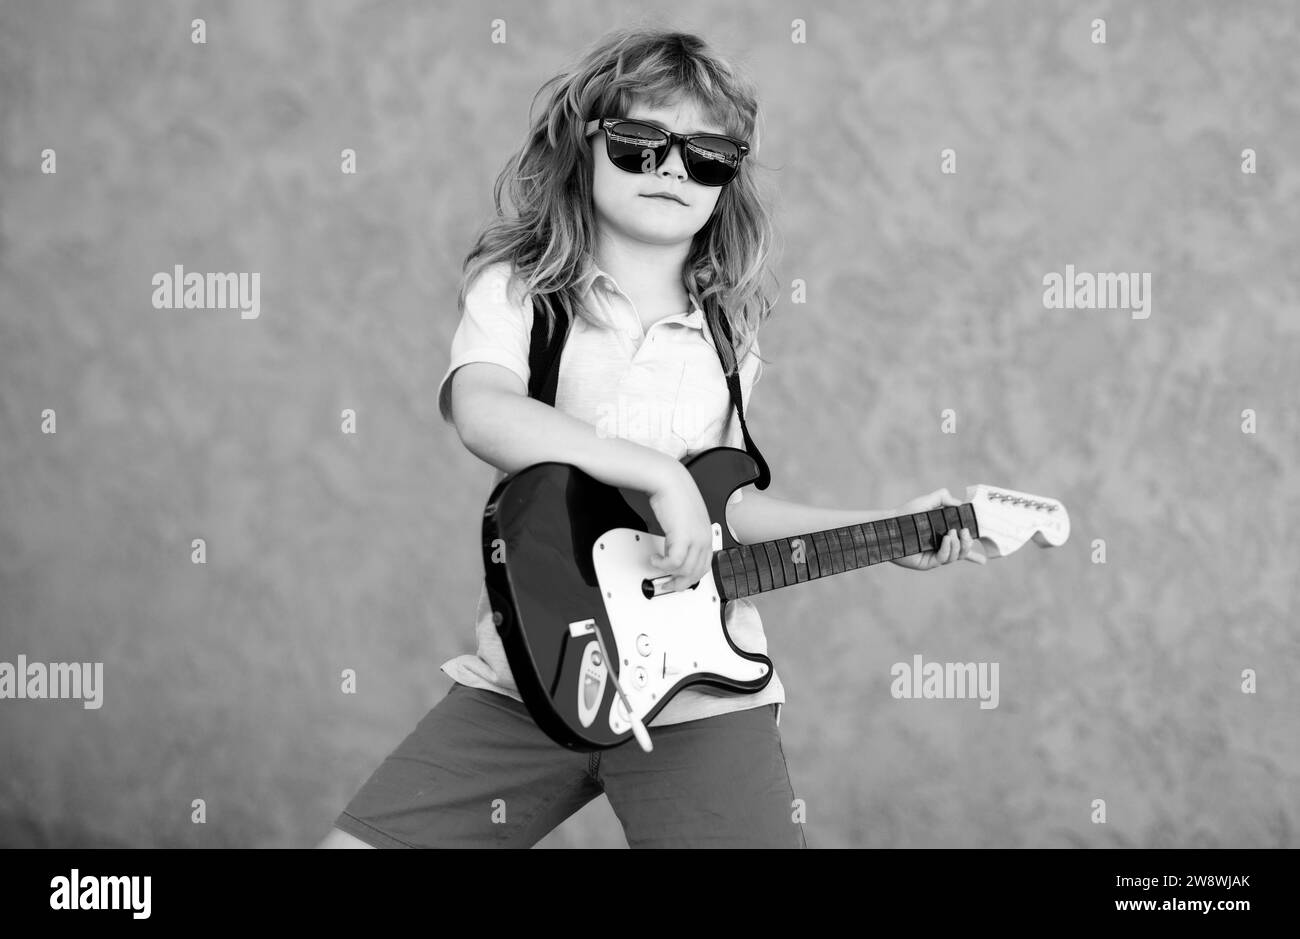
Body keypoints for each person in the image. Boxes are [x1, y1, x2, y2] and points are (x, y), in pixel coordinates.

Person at [318, 25, 984, 850]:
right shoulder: (521, 290)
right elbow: (483, 412)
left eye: (706, 155)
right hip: (543, 671)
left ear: (727, 179)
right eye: (640, 142)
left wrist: (884, 532)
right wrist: (652, 474)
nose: (673, 168)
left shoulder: (728, 338)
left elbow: (726, 514)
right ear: (584, 145)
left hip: (700, 698)